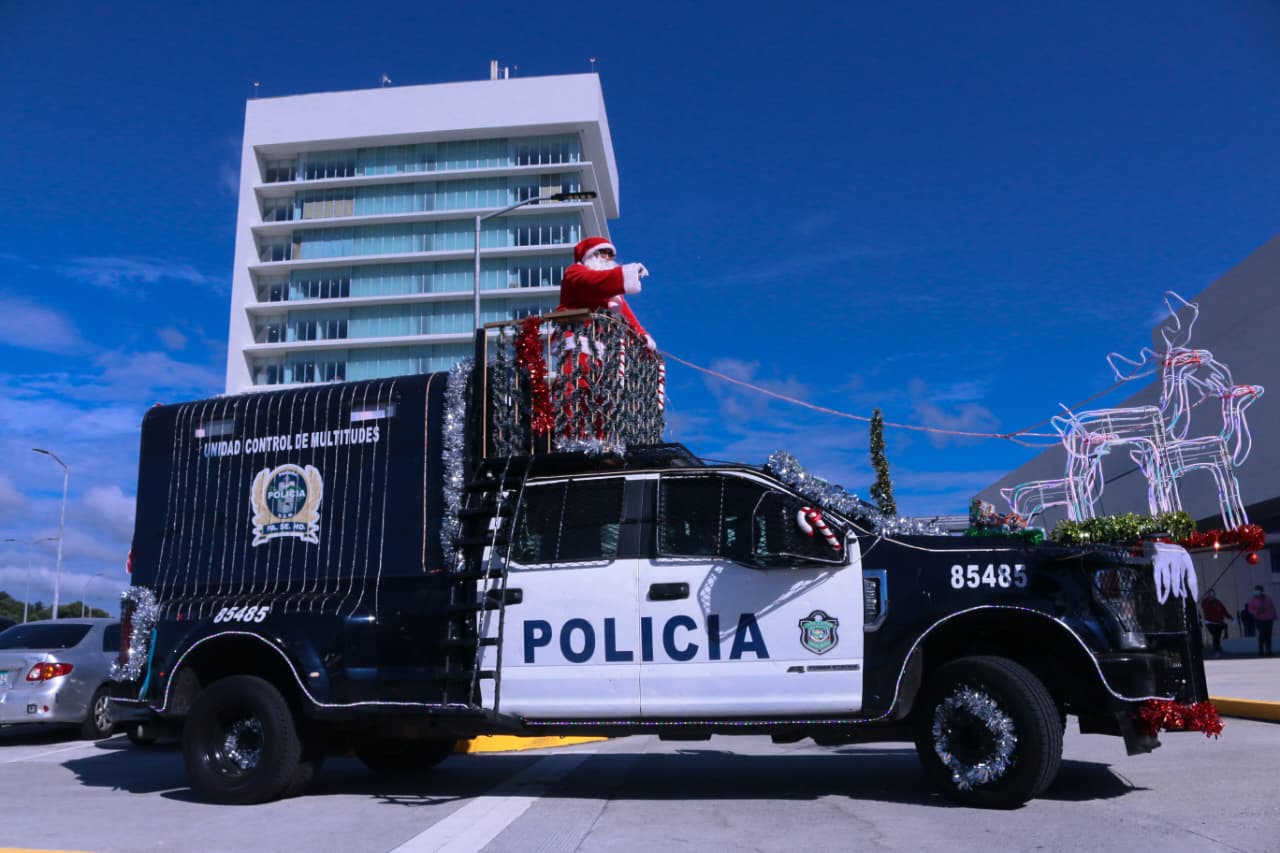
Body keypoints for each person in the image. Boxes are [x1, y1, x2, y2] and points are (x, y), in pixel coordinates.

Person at [1245, 585, 1276, 657]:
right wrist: (1257, 612)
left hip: (1269, 619)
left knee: (1268, 635)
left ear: (1262, 591)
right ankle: (1261, 651)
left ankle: (1269, 651)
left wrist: (1274, 616)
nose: (1256, 591)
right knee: (1262, 634)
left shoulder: (1267, 598)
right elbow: (1250, 609)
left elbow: (1272, 607)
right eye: (1256, 590)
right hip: (1259, 619)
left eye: (1258, 590)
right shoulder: (1253, 599)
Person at [1200, 589, 1232, 655]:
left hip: (1219, 622)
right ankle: (1216, 650)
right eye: (1211, 593)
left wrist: (1230, 618)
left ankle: (1217, 649)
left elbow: (1223, 610)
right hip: (1210, 622)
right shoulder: (1205, 602)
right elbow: (1204, 608)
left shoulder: (1217, 602)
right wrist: (1208, 600)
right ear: (1208, 594)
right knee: (1215, 635)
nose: (1212, 595)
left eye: (1213, 593)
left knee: (1218, 636)